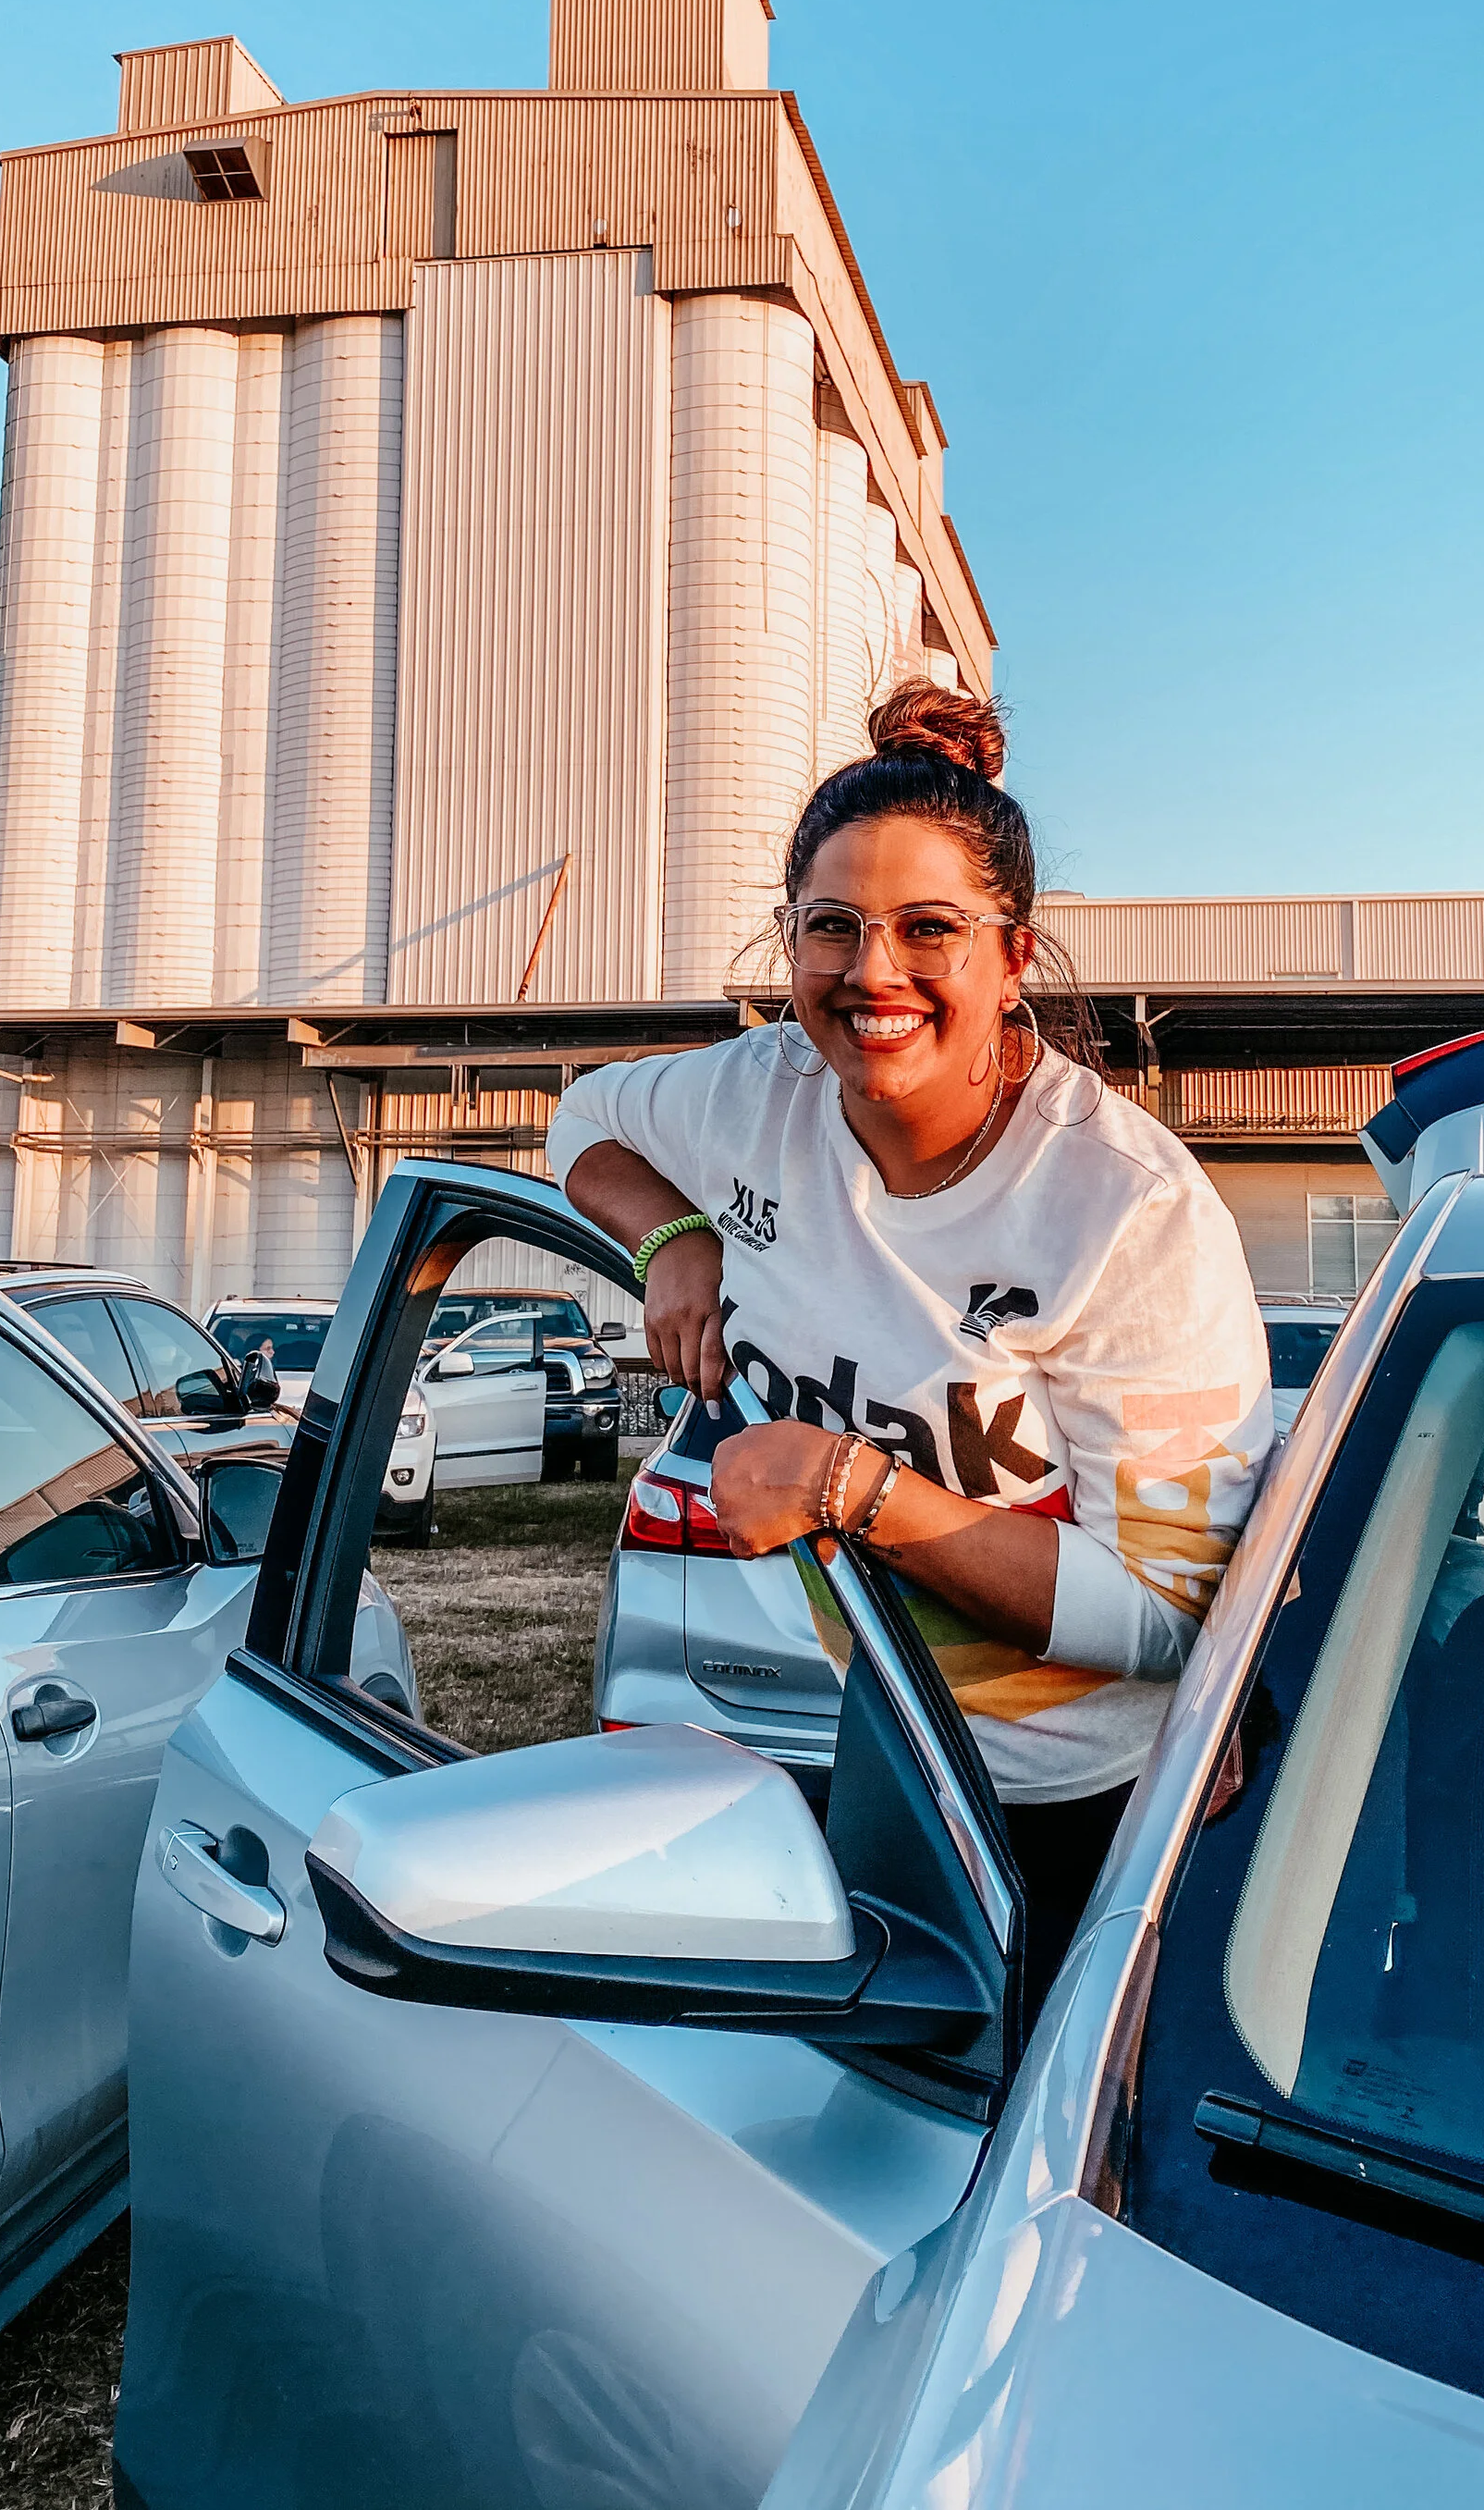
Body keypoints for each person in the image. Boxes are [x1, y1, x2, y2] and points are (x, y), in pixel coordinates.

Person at [547, 683, 1273, 2000]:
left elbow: (1171, 1615)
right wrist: (671, 1241)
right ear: (789, 947)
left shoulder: (1124, 1209)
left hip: (1102, 1806)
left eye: (929, 931)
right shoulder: (754, 1095)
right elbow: (581, 1124)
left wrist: (850, 1489)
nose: (873, 974)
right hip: (890, 1737)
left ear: (1014, 958)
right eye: (832, 930)